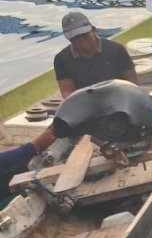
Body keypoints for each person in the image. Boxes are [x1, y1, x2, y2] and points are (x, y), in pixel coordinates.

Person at [0, 11, 140, 182]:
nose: (81, 41)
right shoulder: (62, 59)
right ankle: (45, 155)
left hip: (117, 105)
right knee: (59, 129)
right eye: (75, 38)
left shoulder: (116, 50)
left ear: (93, 30)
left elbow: (132, 85)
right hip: (83, 108)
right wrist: (83, 114)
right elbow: (68, 94)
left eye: (84, 35)